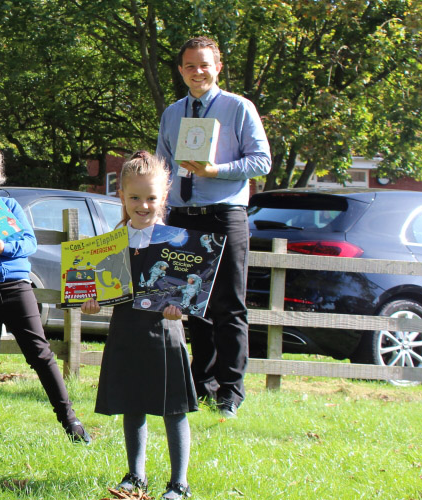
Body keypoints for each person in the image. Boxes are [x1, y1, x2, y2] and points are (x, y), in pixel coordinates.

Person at [0, 141, 91, 442]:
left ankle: (71, 422)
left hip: (16, 289)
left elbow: (29, 243)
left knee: (41, 354)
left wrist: (3, 249)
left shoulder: (8, 207)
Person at [155, 36, 271, 418]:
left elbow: (261, 161)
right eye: (190, 65)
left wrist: (215, 171)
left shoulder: (238, 108)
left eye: (204, 64)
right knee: (193, 305)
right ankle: (201, 387)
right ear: (181, 70)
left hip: (224, 213)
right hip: (182, 216)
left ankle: (230, 393)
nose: (197, 72)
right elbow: (162, 168)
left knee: (229, 306)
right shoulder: (172, 113)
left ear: (218, 67)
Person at [84, 151, 198, 500]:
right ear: (121, 196)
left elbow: (188, 294)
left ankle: (179, 484)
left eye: (151, 197)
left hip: (164, 334)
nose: (143, 205)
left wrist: (180, 310)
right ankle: (135, 476)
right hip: (125, 332)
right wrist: (91, 302)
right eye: (135, 197)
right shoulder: (112, 241)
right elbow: (102, 289)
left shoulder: (177, 242)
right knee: (132, 404)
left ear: (164, 197)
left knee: (173, 408)